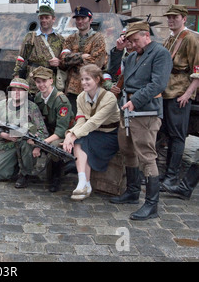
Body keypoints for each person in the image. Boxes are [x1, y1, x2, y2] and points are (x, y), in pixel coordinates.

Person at [108, 21, 172, 221]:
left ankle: (152, 205)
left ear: (147, 35)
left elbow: (158, 84)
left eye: (135, 40)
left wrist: (135, 101)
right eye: (130, 41)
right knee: (127, 150)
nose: (133, 44)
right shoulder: (133, 55)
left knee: (146, 155)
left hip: (146, 112)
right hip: (127, 109)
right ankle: (132, 191)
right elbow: (113, 72)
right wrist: (118, 51)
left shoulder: (160, 54)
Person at [63, 64, 120, 201]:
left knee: (82, 140)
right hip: (92, 132)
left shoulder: (109, 98)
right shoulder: (81, 97)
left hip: (110, 134)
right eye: (82, 79)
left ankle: (84, 184)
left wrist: (73, 135)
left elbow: (94, 121)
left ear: (97, 79)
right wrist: (69, 135)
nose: (84, 83)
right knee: (79, 141)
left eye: (87, 79)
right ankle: (84, 183)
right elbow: (81, 120)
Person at [159, 4, 199, 189]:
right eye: (169, 17)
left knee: (177, 137)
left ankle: (172, 177)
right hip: (167, 92)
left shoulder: (190, 38)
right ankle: (166, 174)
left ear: (184, 18)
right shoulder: (170, 38)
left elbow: (197, 70)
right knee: (167, 134)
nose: (171, 20)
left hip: (180, 93)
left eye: (175, 17)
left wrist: (188, 94)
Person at [0, 78, 48, 189]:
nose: (17, 92)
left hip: (26, 144)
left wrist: (37, 145)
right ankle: (15, 167)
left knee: (27, 141)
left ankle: (25, 174)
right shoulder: (1, 105)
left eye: (21, 90)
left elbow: (42, 131)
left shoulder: (32, 107)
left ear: (26, 93)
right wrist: (3, 135)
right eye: (14, 89)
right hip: (8, 143)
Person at [30, 66, 74, 192]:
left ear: (51, 80)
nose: (41, 85)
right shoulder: (38, 97)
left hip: (63, 133)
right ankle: (25, 172)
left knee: (53, 147)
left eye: (44, 81)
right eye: (38, 82)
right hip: (48, 130)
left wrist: (42, 143)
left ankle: (56, 178)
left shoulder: (61, 101)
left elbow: (61, 130)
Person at [61, 6, 108, 115]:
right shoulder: (70, 39)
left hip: (90, 89)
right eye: (77, 19)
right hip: (71, 88)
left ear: (90, 20)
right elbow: (63, 59)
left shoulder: (98, 38)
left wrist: (72, 59)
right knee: (72, 119)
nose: (80, 21)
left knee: (87, 121)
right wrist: (81, 56)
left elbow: (96, 63)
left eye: (83, 18)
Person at [13, 5, 65, 96]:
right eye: (41, 18)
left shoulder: (60, 39)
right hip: (33, 81)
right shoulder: (30, 37)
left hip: (50, 81)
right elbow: (21, 57)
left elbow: (65, 61)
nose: (44, 20)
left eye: (46, 17)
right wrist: (16, 76)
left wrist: (59, 62)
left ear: (53, 19)